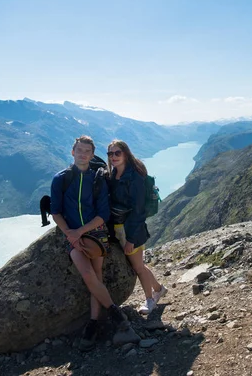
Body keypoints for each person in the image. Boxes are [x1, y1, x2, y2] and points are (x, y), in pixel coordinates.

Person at [50, 135, 130, 351]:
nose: (83, 154)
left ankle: (93, 324)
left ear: (92, 155)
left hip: (95, 232)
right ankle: (116, 314)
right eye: (79, 150)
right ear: (72, 152)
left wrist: (78, 232)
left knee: (97, 276)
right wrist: (70, 233)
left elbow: (103, 214)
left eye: (87, 151)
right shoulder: (61, 179)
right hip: (73, 235)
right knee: (88, 275)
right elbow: (55, 211)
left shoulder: (97, 179)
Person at [106, 139, 168, 315]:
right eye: (110, 154)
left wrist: (130, 239)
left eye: (117, 153)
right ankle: (159, 289)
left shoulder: (135, 177)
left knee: (138, 267)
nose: (114, 157)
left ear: (126, 154)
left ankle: (150, 299)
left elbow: (138, 211)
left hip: (132, 229)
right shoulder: (113, 175)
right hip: (118, 227)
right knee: (139, 264)